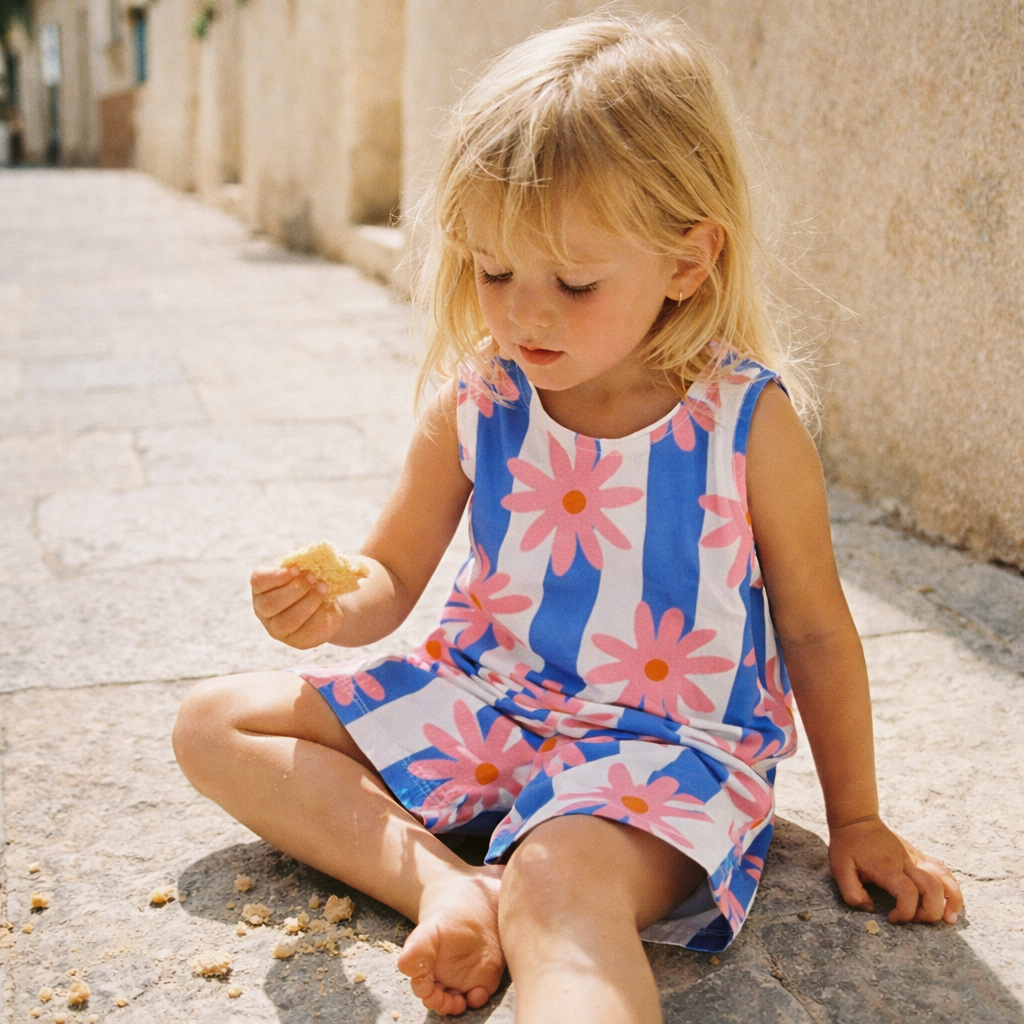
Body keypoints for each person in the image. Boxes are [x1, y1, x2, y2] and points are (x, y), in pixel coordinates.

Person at [172, 14, 963, 1023]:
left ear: (686, 262)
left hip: (663, 744)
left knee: (559, 885)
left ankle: (532, 913)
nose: (524, 312)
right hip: (491, 701)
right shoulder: (479, 400)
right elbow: (389, 578)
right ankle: (448, 886)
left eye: (574, 282)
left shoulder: (742, 422)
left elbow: (812, 626)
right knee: (214, 721)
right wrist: (328, 607)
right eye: (493, 271)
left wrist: (857, 816)